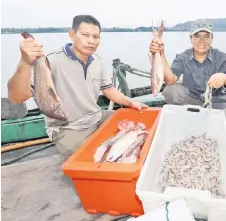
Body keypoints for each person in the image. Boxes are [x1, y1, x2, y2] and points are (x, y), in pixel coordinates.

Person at [7, 15, 148, 159]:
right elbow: (17, 97)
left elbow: (109, 89)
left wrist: (130, 102)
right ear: (72, 35)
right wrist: (25, 62)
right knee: (92, 157)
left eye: (95, 37)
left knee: (139, 125)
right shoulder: (50, 60)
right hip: (67, 128)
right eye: (85, 35)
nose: (91, 41)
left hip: (97, 117)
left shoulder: (97, 61)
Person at [149, 19, 226, 142]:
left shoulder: (221, 57)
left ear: (212, 39)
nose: (201, 40)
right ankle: (188, 117)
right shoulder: (183, 57)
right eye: (197, 36)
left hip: (216, 101)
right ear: (190, 38)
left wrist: (224, 77)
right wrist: (161, 52)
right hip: (191, 99)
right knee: (170, 90)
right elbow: (170, 80)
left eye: (206, 36)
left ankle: (198, 122)